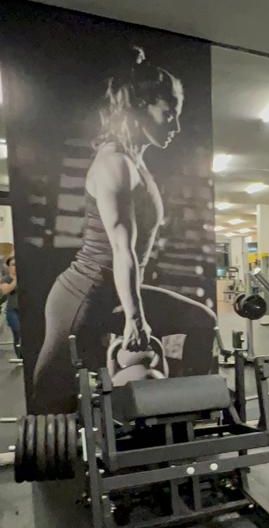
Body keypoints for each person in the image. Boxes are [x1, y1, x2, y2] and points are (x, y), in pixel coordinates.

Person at [33, 47, 216, 413]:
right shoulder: (114, 164)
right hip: (83, 297)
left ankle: (191, 408)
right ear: (139, 106)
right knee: (49, 399)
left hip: (115, 294)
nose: (176, 126)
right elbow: (122, 248)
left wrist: (135, 312)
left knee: (202, 321)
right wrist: (136, 318)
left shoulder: (135, 163)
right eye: (169, 114)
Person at [0, 254, 21, 359]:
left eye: (17, 265)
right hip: (12, 311)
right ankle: (20, 357)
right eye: (13, 265)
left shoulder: (27, 279)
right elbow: (5, 290)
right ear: (8, 267)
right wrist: (16, 279)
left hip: (26, 311)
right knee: (17, 332)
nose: (15, 267)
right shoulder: (6, 279)